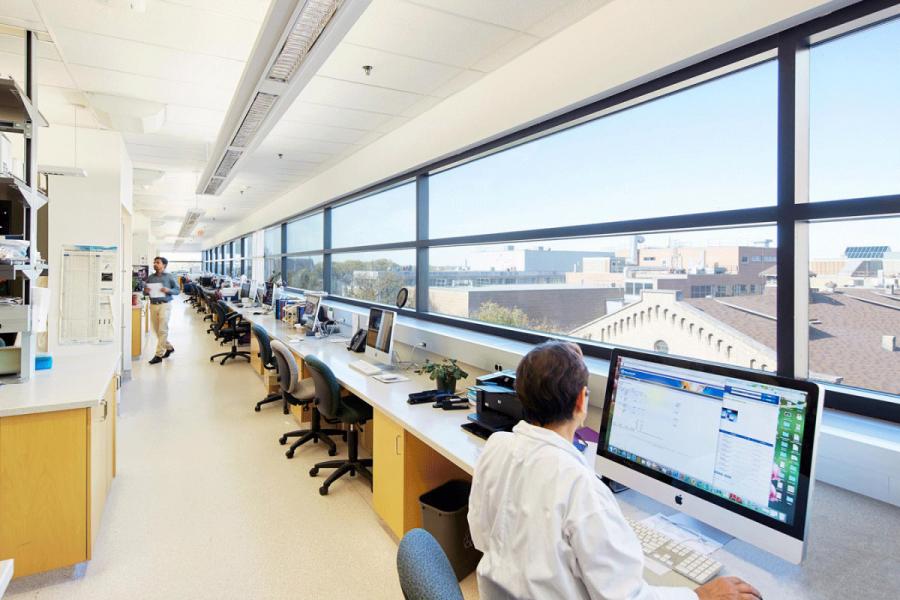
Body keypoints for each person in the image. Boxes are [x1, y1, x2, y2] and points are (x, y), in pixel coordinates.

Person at [468, 341, 762, 600]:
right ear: (582, 400)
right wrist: (699, 596)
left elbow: (482, 536)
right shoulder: (579, 486)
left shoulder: (497, 447)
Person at [144, 256, 179, 365]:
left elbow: (177, 290)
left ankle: (158, 355)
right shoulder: (150, 277)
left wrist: (168, 290)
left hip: (165, 304)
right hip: (153, 305)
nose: (155, 264)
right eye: (154, 262)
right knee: (156, 330)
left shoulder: (169, 277)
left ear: (164, 265)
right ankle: (169, 347)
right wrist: (146, 291)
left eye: (157, 262)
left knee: (162, 330)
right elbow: (145, 292)